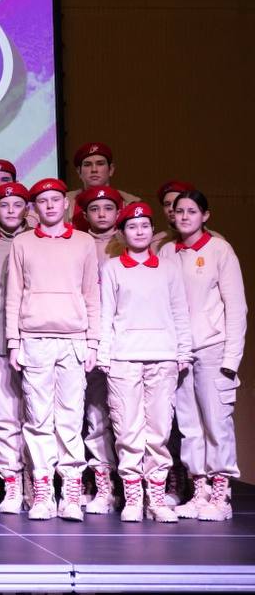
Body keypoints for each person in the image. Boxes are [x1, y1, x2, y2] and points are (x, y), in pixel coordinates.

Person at [5, 178, 101, 521]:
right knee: (38, 418)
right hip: (34, 340)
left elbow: (92, 294)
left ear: (65, 204)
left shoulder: (85, 242)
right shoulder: (23, 242)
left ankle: (71, 491)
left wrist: (93, 342)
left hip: (74, 340)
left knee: (71, 417)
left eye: (55, 200)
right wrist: (13, 341)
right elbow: (14, 294)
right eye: (42, 201)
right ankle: (43, 492)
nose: (49, 205)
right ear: (35, 207)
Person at [97, 202, 192, 523]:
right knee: (127, 430)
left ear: (153, 230)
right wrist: (104, 353)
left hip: (163, 356)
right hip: (123, 358)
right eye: (132, 226)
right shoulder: (112, 267)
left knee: (159, 430)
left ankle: (157, 497)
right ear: (122, 233)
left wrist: (183, 351)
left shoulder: (168, 268)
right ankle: (133, 498)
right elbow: (106, 313)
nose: (139, 231)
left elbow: (180, 311)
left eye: (145, 226)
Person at [162, 190, 246, 521]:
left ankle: (221, 495)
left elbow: (236, 308)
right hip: (180, 352)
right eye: (179, 211)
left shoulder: (219, 250)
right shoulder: (167, 251)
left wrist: (231, 361)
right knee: (190, 425)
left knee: (216, 423)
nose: (184, 216)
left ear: (205, 216)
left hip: (213, 349)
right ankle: (200, 491)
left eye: (192, 211)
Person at [0, 182, 32, 513]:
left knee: (39, 420)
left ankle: (37, 484)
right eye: (4, 205)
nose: (11, 210)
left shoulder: (42, 243)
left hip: (38, 342)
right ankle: (11, 483)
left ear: (28, 209)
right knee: (4, 418)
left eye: (17, 204)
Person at [75, 185, 124, 514]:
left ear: (118, 212)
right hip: (89, 337)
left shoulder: (131, 240)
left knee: (128, 418)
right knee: (94, 415)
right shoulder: (78, 243)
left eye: (108, 208)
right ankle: (101, 484)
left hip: (124, 341)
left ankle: (137, 486)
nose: (102, 214)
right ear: (85, 214)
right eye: (94, 208)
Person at [64, 142, 141, 230]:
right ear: (79, 172)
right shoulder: (64, 202)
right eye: (87, 165)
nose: (94, 170)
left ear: (111, 169)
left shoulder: (130, 204)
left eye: (100, 164)